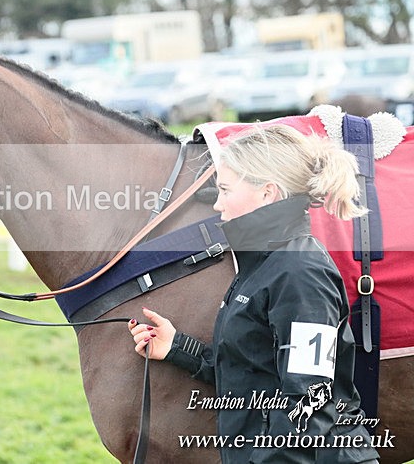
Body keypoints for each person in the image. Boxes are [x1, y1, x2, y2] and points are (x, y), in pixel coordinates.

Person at [129, 125, 379, 463]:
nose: (217, 204)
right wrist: (178, 347)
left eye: (225, 190)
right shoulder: (262, 262)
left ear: (267, 193)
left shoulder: (301, 273)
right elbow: (253, 372)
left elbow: (310, 406)